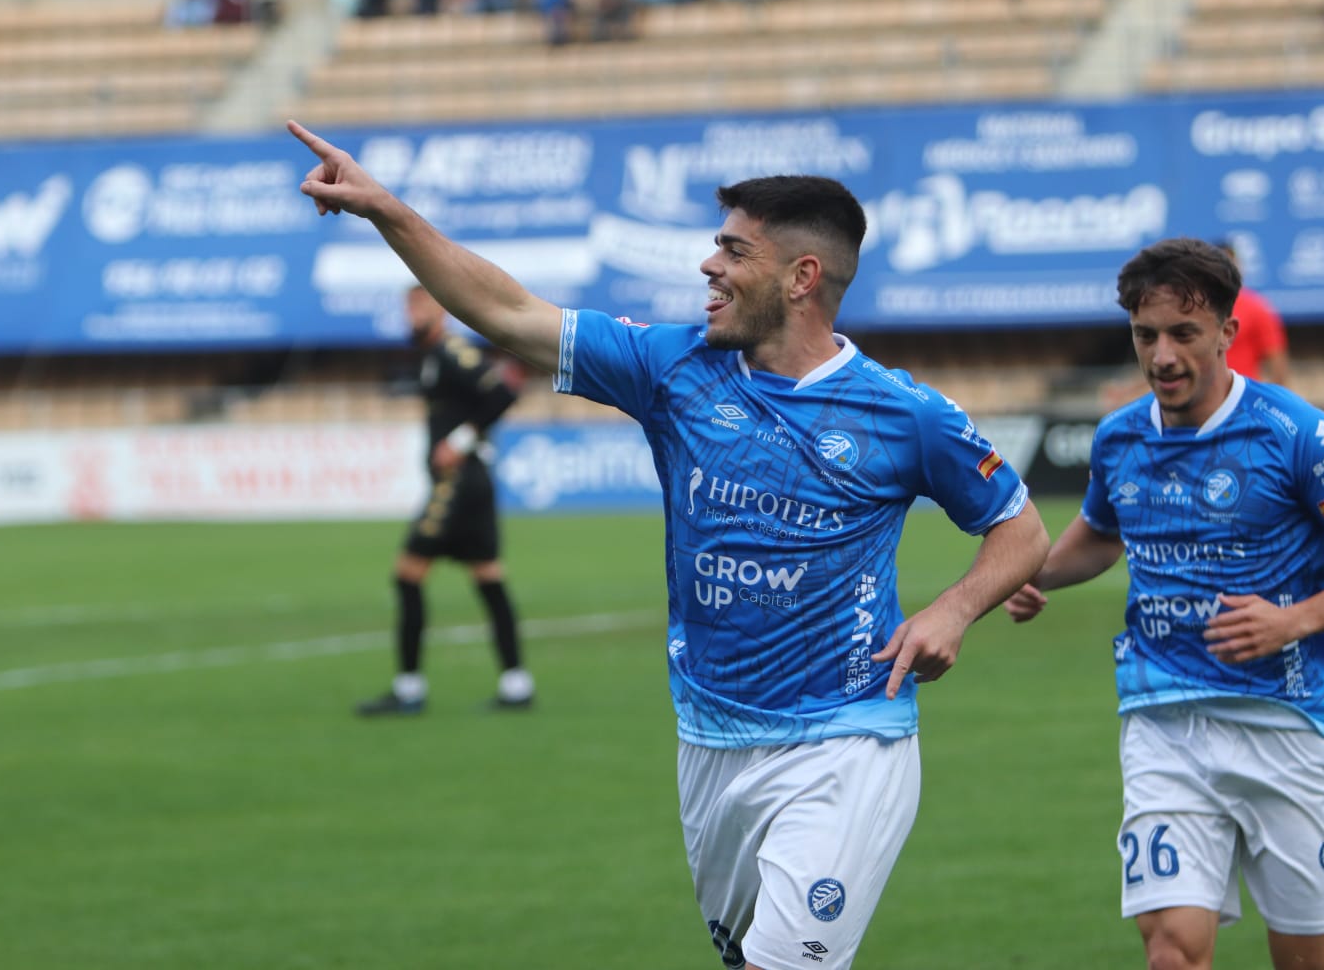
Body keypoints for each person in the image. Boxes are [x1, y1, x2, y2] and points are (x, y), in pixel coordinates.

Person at [288, 118, 1050, 970]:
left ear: (801, 278)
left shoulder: (904, 415)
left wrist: (954, 607)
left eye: (733, 250)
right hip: (709, 741)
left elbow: (1021, 529)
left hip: (847, 741)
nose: (708, 266)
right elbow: (506, 312)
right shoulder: (671, 367)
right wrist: (388, 210)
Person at [1005, 237, 1324, 970]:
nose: (1162, 355)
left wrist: (1291, 621)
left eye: (1183, 334)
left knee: (1314, 962)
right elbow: (1102, 535)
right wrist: (1032, 573)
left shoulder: (1296, 434)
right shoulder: (1119, 437)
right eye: (1145, 335)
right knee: (1172, 951)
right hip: (1161, 721)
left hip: (1283, 722)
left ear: (1229, 332)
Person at [355, 284, 534, 716]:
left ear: (440, 309)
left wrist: (460, 439)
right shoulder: (433, 357)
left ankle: (409, 689)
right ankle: (516, 685)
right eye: (408, 307)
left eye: (418, 306)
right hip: (472, 483)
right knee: (488, 577)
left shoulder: (453, 351)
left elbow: (503, 393)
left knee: (408, 574)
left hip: (458, 481)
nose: (411, 315)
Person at [1218, 240, 1290, 386]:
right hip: (1204, 397)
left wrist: (1272, 399)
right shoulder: (1197, 308)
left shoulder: (1255, 307)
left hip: (1244, 396)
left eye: (1231, 265)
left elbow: (1276, 357)